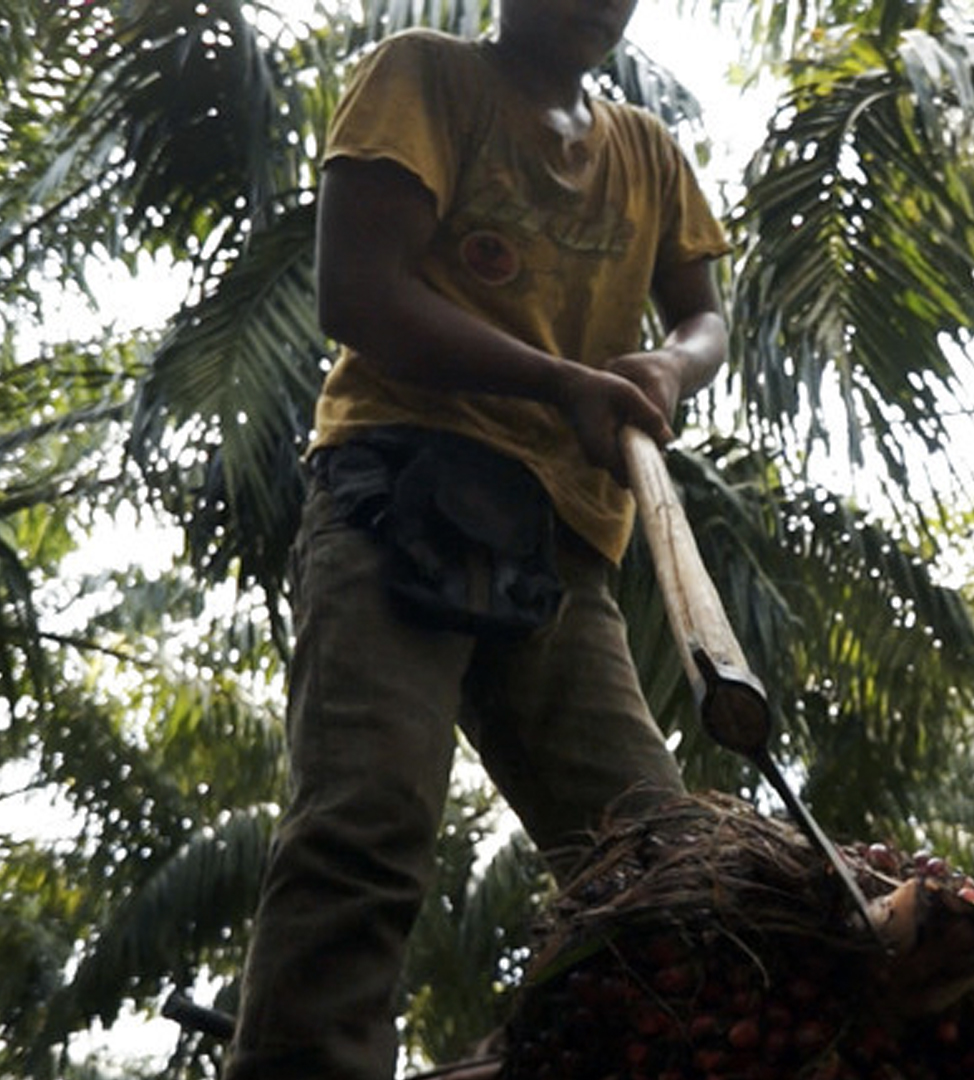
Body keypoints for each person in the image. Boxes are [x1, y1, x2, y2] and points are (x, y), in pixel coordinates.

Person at [225, 0, 730, 1076]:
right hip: (401, 489)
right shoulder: (425, 78)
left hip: (565, 544)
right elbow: (357, 293)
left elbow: (704, 312)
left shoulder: (644, 150)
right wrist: (558, 380)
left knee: (665, 878)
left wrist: (672, 366)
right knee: (364, 831)